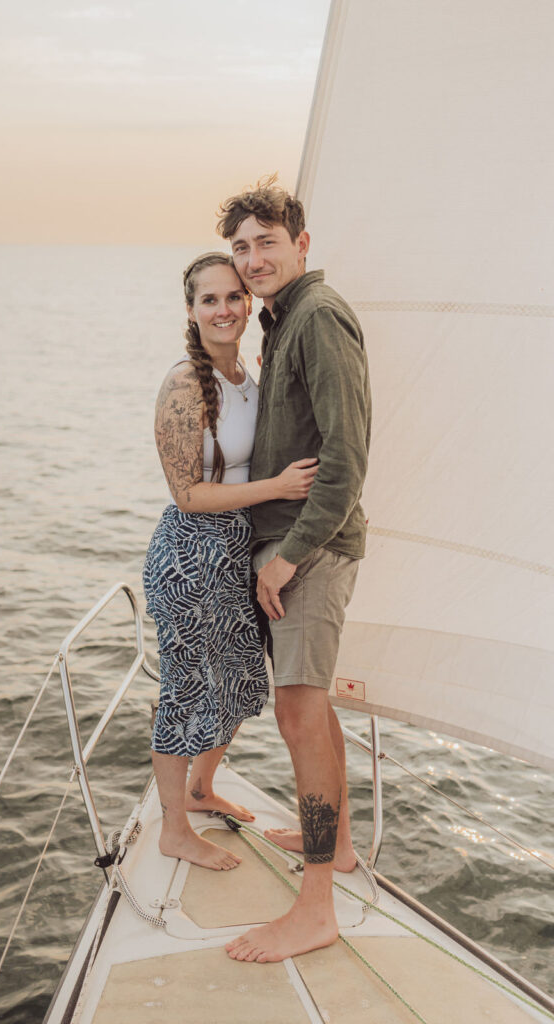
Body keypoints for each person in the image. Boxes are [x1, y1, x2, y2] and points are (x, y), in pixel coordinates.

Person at [217, 179, 371, 958]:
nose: (251, 259)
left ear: (300, 245)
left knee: (296, 716)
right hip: (295, 546)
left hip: (309, 550)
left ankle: (315, 907)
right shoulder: (282, 322)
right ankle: (337, 848)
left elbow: (347, 462)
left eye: (265, 242)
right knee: (312, 713)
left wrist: (285, 558)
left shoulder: (316, 316)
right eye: (240, 247)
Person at [143, 251, 319, 871]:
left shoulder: (248, 376)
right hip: (190, 557)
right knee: (186, 691)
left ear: (249, 305)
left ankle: (200, 788)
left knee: (243, 682)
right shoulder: (185, 384)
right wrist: (275, 488)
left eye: (233, 298)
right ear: (191, 311)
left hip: (239, 552)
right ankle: (173, 829)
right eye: (209, 300)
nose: (223, 310)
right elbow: (186, 493)